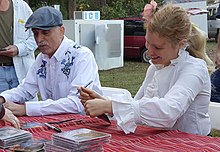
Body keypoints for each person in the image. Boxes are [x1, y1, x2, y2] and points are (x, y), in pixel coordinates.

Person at [79, 4, 211, 136]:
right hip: (160, 140)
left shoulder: (194, 69)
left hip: (191, 143)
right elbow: (137, 105)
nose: (150, 51)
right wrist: (104, 103)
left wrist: (111, 106)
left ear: (180, 44)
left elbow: (169, 111)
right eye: (147, 43)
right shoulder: (155, 67)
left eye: (158, 47)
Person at [0, 6, 102, 117]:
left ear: (61, 31)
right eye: (35, 33)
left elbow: (77, 103)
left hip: (87, 125)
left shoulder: (81, 56)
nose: (39, 39)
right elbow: (26, 89)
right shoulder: (42, 59)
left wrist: (26, 109)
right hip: (55, 123)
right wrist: (3, 98)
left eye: (45, 33)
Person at [0, 0, 37, 93]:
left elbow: (36, 37)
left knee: (23, 105)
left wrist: (18, 49)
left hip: (20, 70)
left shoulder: (22, 7)